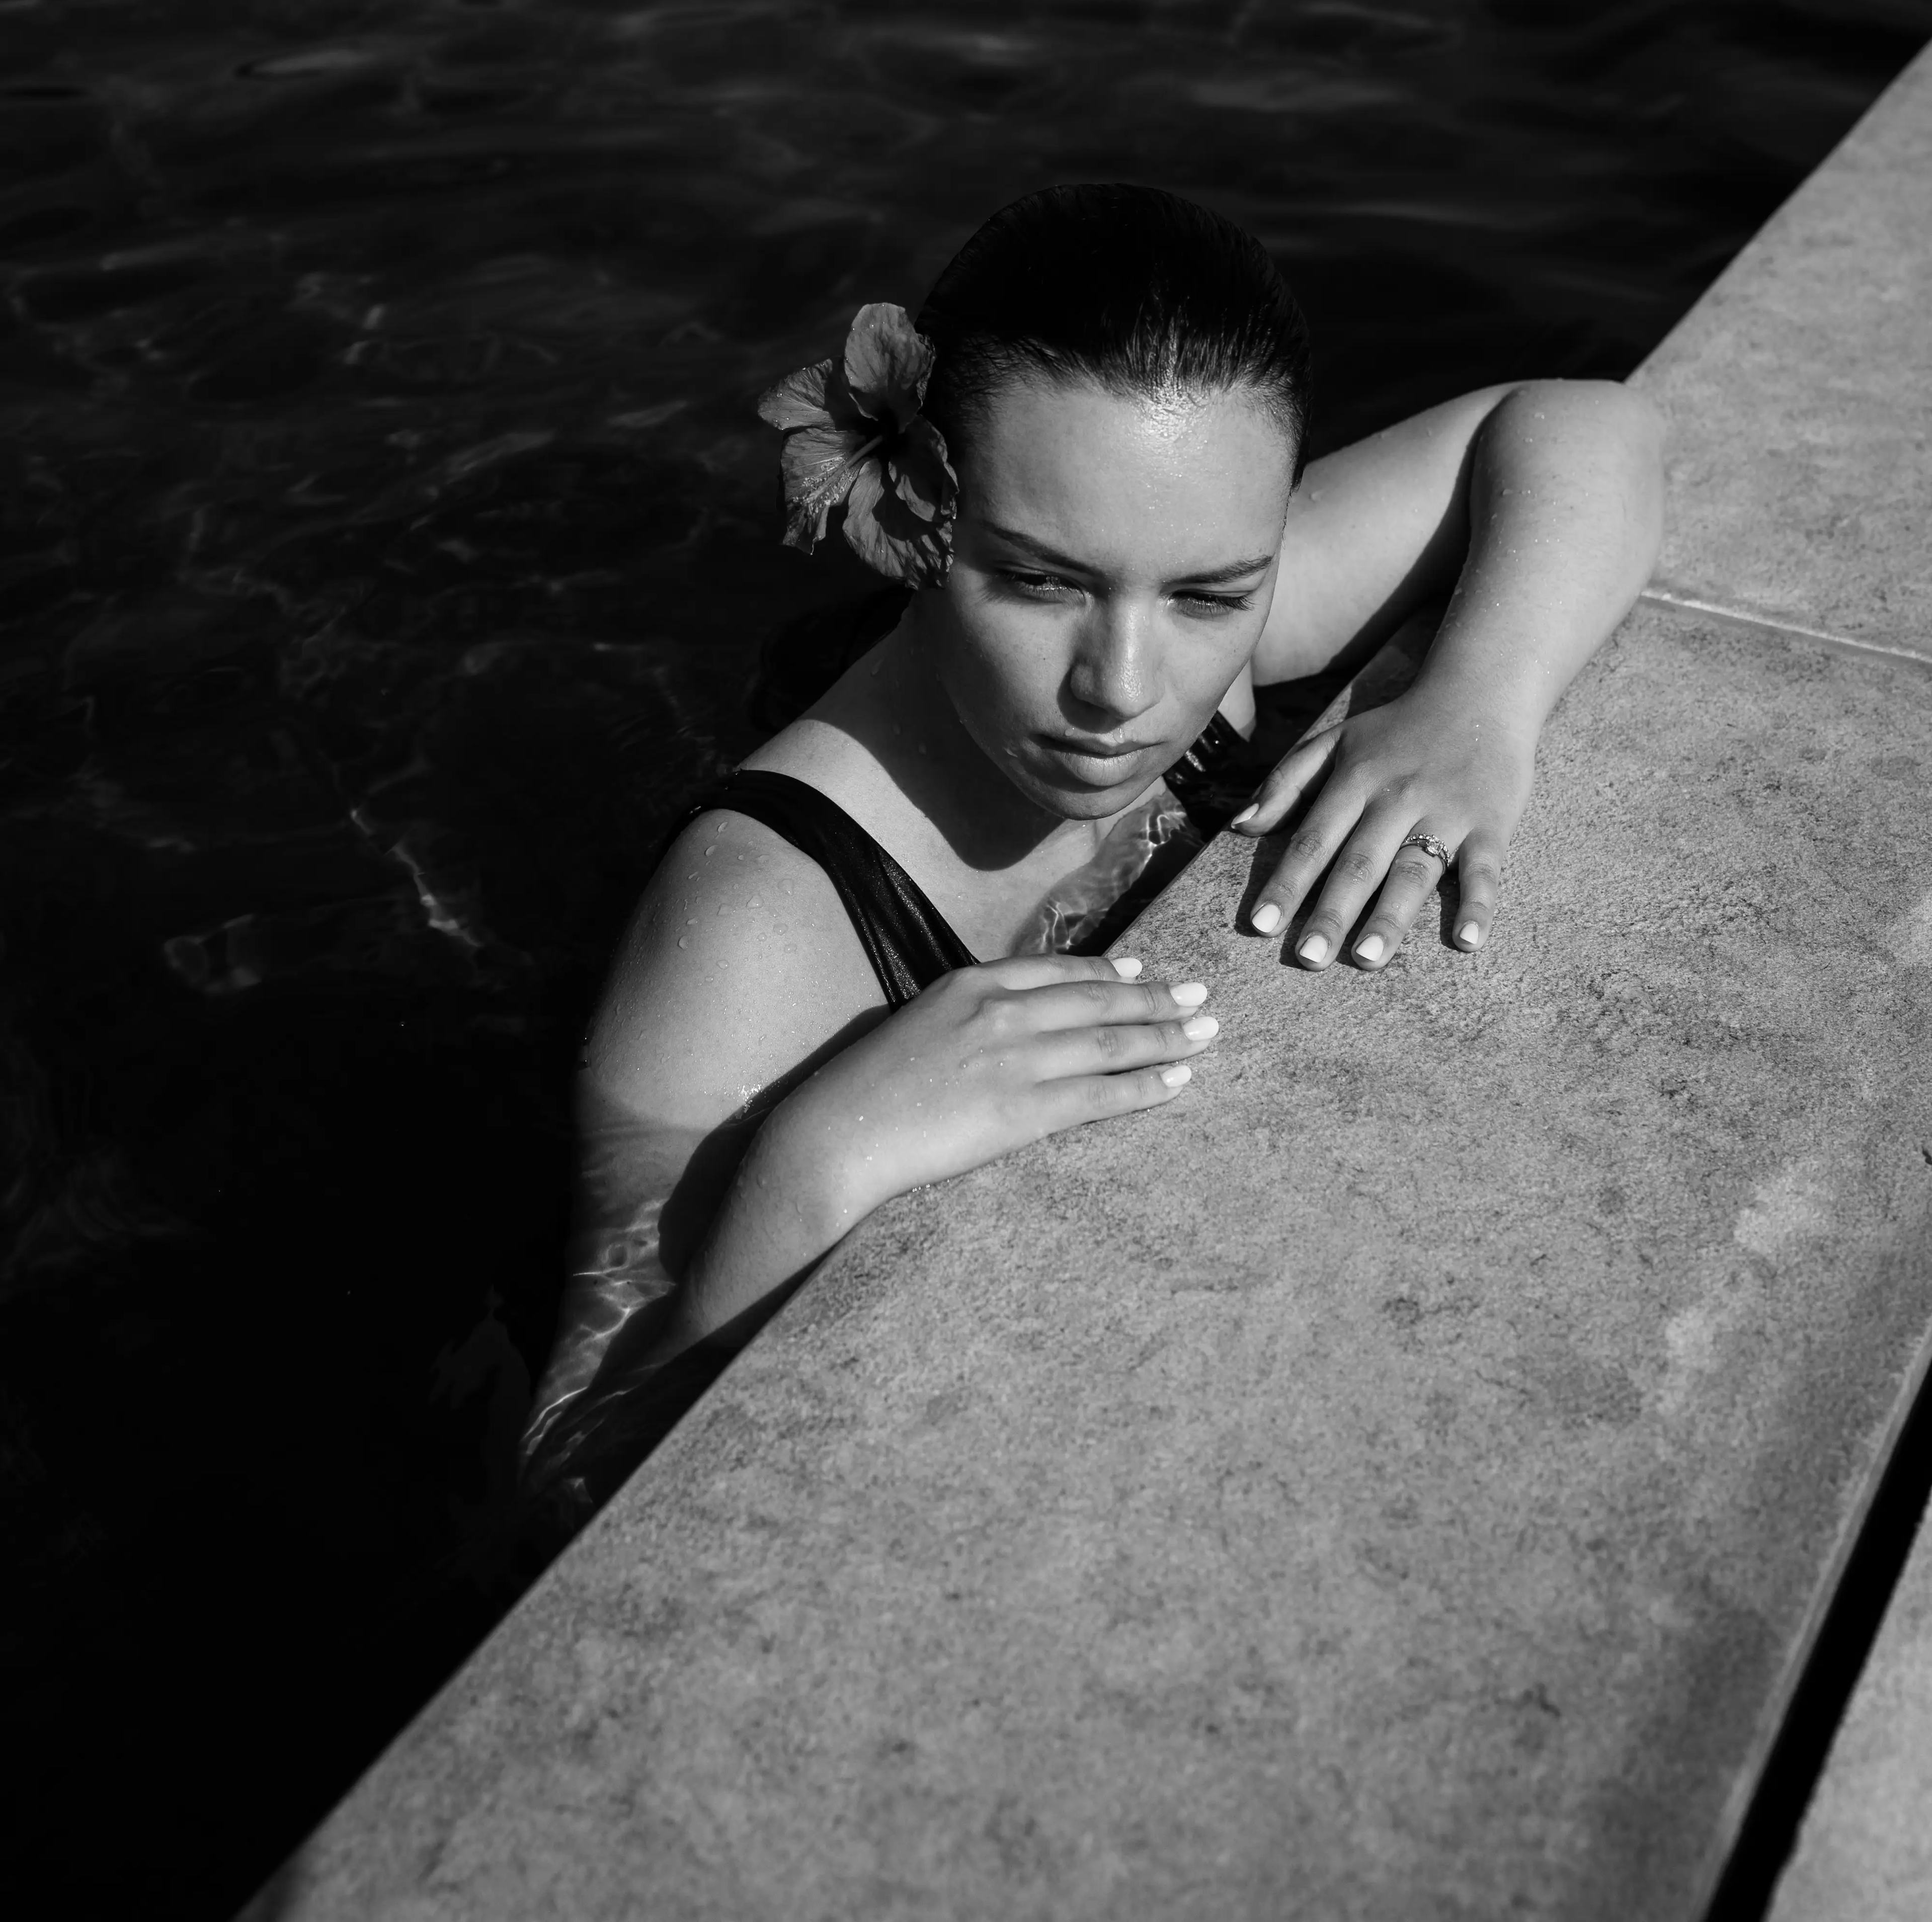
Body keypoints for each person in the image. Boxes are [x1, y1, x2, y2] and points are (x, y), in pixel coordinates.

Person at [522, 184, 1663, 1528]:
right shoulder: (757, 925)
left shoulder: (1196, 628)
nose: (1125, 686)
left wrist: (1479, 696)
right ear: (911, 522)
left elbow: (1595, 424)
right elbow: (566, 1483)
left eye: (1213, 595)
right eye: (1043, 581)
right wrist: (815, 1163)